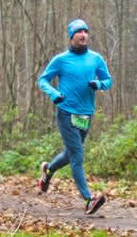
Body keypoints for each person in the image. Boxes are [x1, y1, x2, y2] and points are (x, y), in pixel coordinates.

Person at [36, 18, 112, 214]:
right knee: (77, 155)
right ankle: (88, 199)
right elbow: (42, 80)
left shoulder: (95, 59)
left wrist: (99, 84)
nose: (83, 34)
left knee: (70, 154)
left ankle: (48, 171)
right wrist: (54, 93)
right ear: (72, 36)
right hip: (66, 112)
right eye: (79, 31)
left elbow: (108, 81)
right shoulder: (61, 60)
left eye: (86, 31)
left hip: (86, 114)